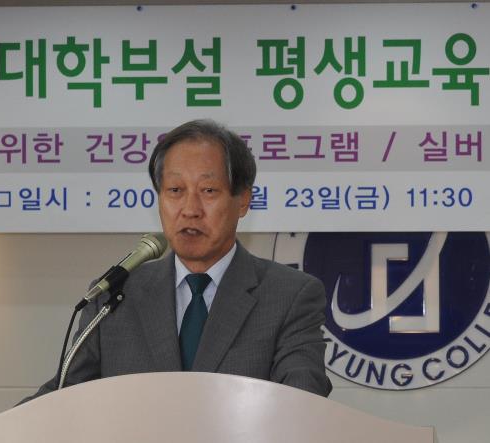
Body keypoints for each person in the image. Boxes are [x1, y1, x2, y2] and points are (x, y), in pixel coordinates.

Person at [22, 119, 331, 403]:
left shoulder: (288, 296)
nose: (190, 209)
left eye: (208, 190)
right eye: (175, 190)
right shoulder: (114, 297)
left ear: (243, 200)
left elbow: (303, 402)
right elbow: (61, 397)